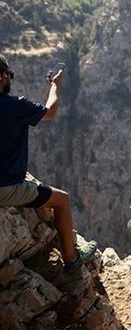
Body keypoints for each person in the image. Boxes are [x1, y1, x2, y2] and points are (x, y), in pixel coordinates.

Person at [0, 54, 97, 272]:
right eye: (9, 76)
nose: (10, 80)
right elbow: (50, 112)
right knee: (62, 200)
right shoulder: (14, 106)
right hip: (5, 187)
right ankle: (72, 259)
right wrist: (54, 86)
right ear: (2, 77)